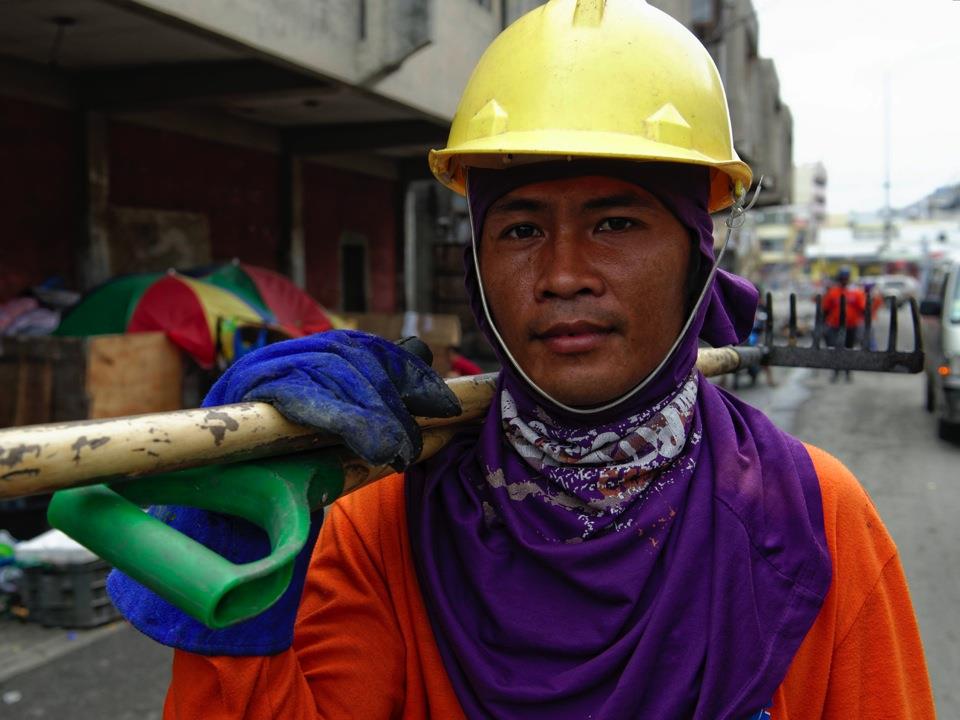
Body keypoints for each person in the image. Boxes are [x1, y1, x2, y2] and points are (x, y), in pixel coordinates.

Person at [109, 2, 934, 718]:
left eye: (617, 223)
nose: (564, 274)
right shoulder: (383, 525)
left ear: (695, 257)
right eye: (522, 229)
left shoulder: (811, 520)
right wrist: (238, 554)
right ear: (477, 268)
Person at [821, 267, 867, 382]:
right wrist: (824, 324)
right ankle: (835, 372)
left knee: (849, 349)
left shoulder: (855, 292)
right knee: (835, 349)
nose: (844, 280)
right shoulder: (833, 292)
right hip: (834, 325)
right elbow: (825, 309)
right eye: (842, 278)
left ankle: (848, 372)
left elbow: (863, 309)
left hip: (851, 325)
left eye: (846, 278)